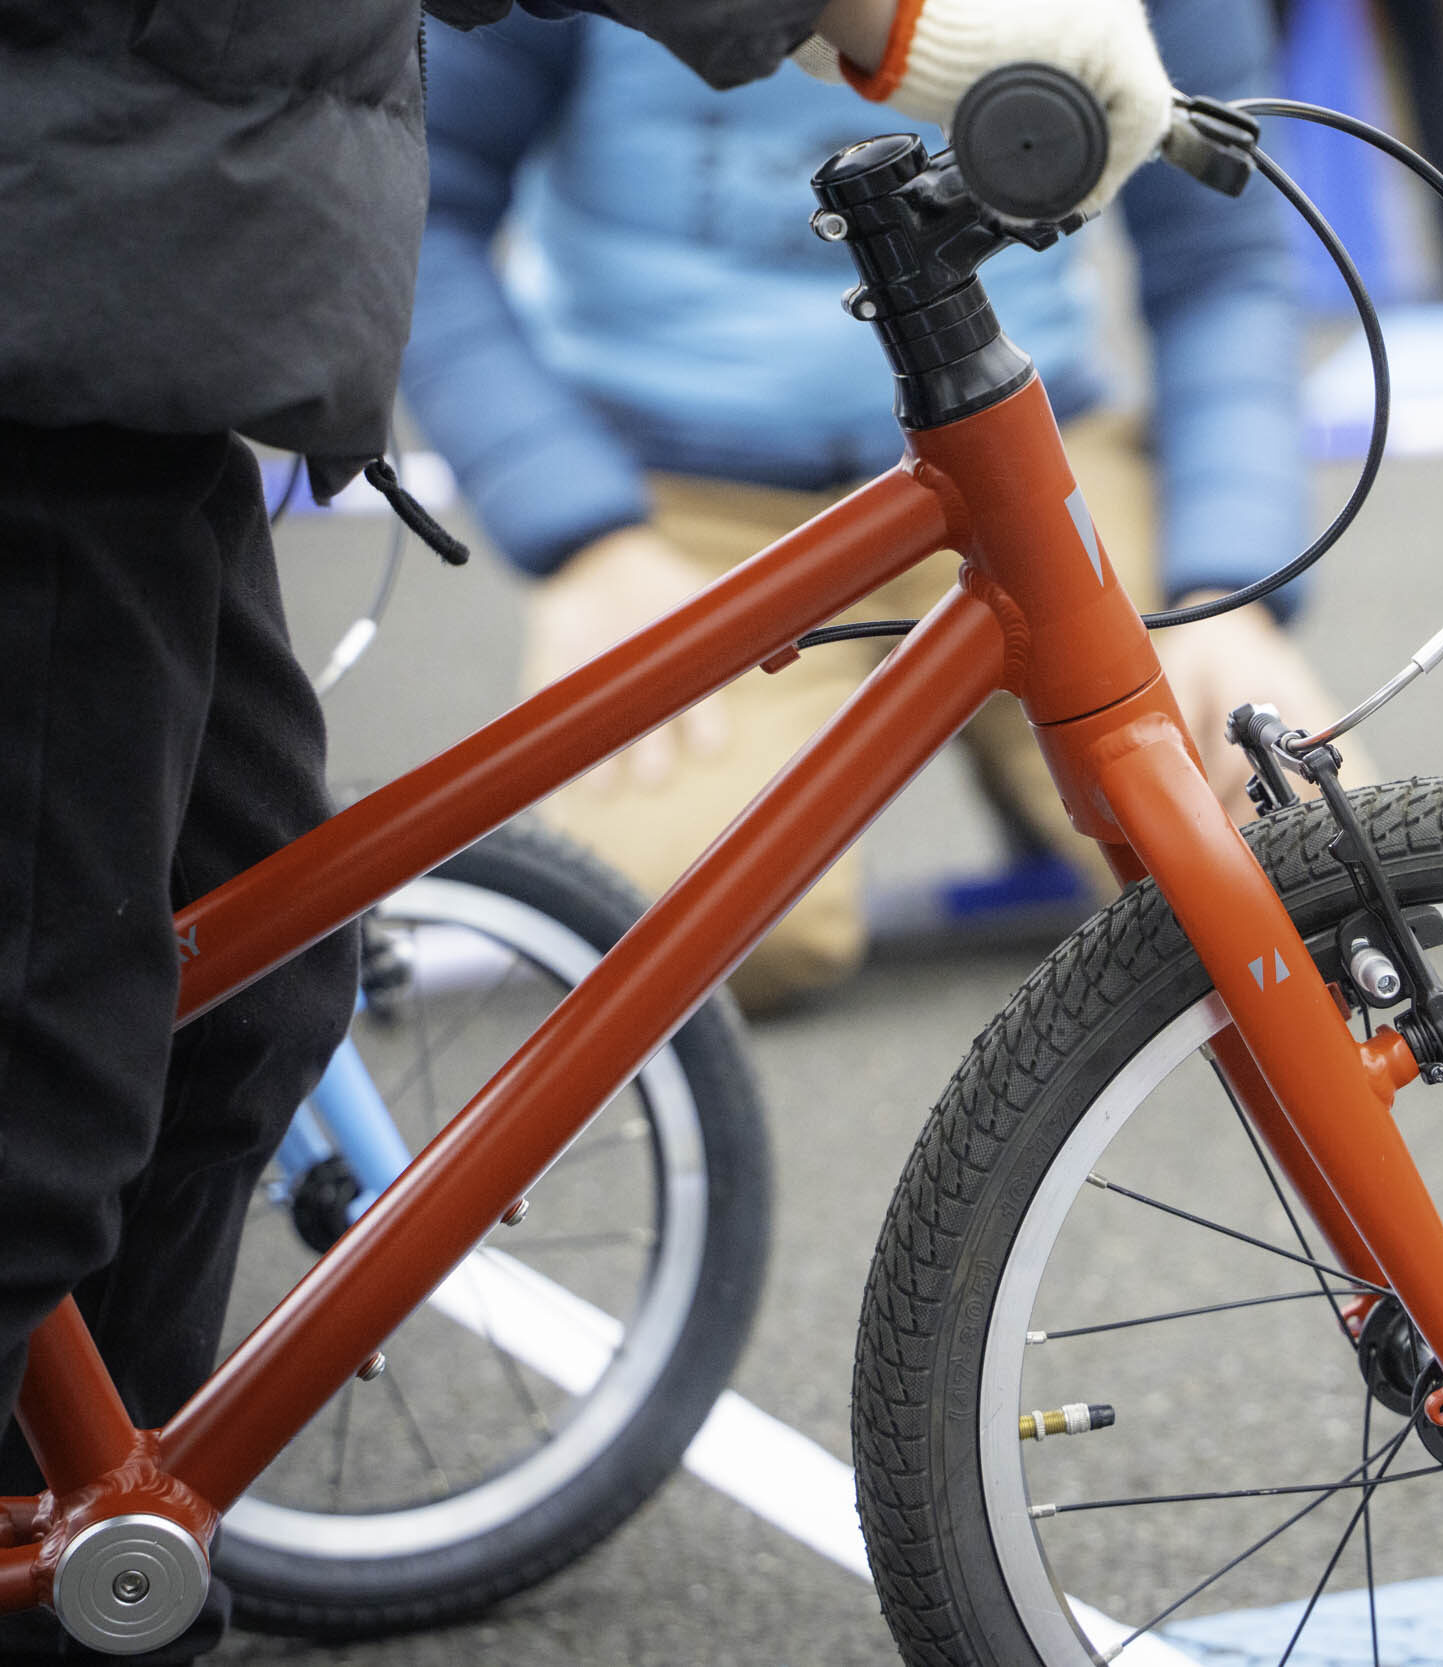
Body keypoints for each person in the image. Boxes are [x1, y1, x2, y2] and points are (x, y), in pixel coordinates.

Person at [0, 0, 1175, 1659]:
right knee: (45, 1102)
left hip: (122, 312)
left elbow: (1227, 264)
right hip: (73, 304)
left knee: (235, 999)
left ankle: (79, 1559)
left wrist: (1239, 565)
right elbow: (468, 186)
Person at [405, 0, 1363, 1012]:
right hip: (686, 507)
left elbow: (1222, 261)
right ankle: (1030, 755)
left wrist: (1230, 585)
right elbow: (423, 203)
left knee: (1302, 876)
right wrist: (584, 539)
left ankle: (1033, 752)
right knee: (720, 937)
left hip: (1028, 470)